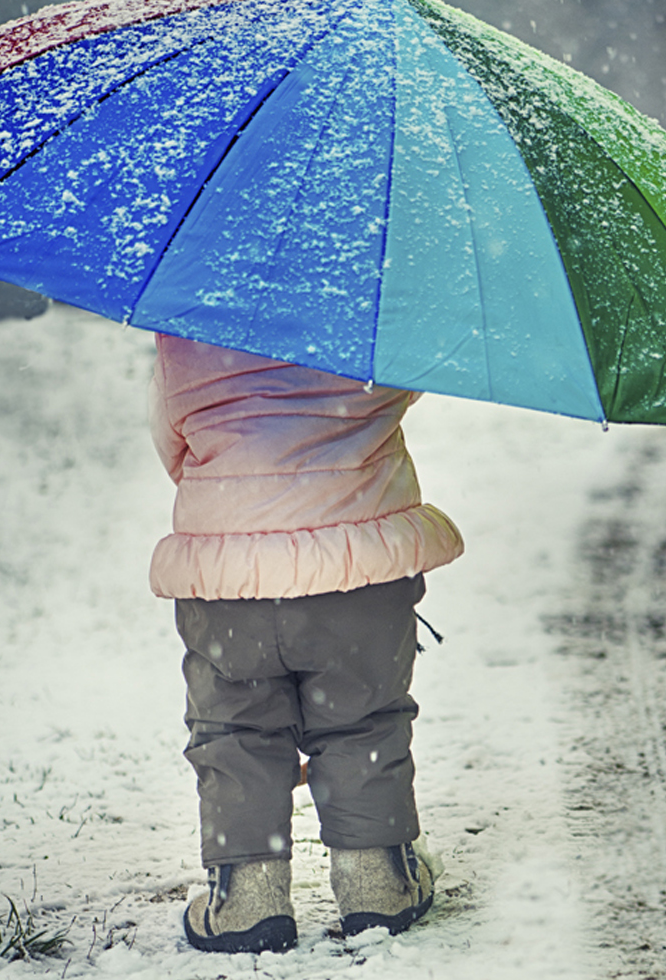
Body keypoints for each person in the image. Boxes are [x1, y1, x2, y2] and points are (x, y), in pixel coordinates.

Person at [148, 334, 464, 953]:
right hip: (356, 571)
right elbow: (407, 385)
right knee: (362, 722)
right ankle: (376, 882)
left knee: (235, 730)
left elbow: (171, 440)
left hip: (230, 580)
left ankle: (247, 896)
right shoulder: (369, 307)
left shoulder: (189, 319)